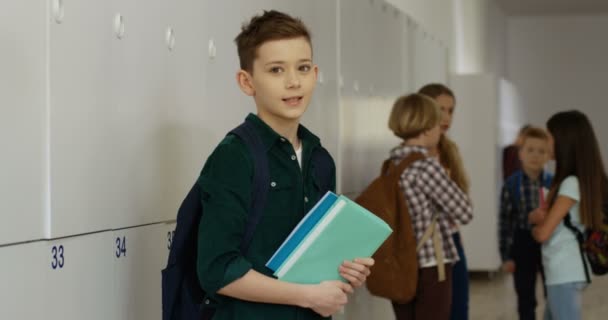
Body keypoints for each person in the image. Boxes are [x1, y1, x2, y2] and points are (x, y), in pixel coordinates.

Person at [195, 10, 374, 320]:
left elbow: (319, 254)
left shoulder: (320, 160)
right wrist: (308, 296)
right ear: (246, 81)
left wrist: (347, 271)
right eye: (276, 70)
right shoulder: (234, 157)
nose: (294, 82)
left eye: (303, 68)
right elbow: (217, 268)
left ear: (315, 74)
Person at [388, 93, 473, 320]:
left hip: (400, 264)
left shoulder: (390, 164)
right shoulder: (426, 167)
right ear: (426, 128)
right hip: (431, 265)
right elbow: (464, 212)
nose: (440, 128)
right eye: (437, 123)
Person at [529, 110, 608, 320]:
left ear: (565, 142)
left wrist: (535, 226)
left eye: (549, 137)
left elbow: (544, 233)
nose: (546, 144)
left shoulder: (570, 183)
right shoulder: (572, 181)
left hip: (565, 272)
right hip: (563, 272)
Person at [418, 83, 470, 320]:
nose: (447, 117)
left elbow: (463, 205)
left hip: (452, 241)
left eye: (451, 111)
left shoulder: (450, 151)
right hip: (423, 246)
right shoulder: (412, 154)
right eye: (441, 110)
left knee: (459, 310)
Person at [499, 127, 553, 320]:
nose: (535, 156)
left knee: (552, 293)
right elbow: (505, 222)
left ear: (548, 155)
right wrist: (506, 256)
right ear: (520, 154)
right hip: (522, 244)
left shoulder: (552, 183)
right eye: (530, 150)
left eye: (541, 151)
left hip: (549, 243)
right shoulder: (511, 184)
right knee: (525, 296)